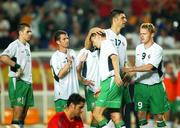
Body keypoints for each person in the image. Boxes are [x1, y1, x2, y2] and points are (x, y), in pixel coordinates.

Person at [122, 23, 169, 128]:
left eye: (144, 34)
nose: (141, 36)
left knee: (159, 116)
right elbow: (138, 66)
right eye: (140, 34)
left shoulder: (158, 49)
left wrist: (132, 69)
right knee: (140, 115)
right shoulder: (138, 48)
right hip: (141, 86)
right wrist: (130, 75)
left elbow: (149, 67)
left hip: (155, 86)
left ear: (152, 34)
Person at [0, 23, 34, 128]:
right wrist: (17, 66)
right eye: (27, 31)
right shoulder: (15, 45)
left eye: (30, 31)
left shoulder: (27, 45)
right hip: (18, 81)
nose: (30, 33)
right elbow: (3, 57)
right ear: (20, 33)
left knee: (23, 113)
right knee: (18, 111)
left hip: (28, 82)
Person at [90, 32, 125, 128]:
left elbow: (114, 57)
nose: (93, 44)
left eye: (93, 41)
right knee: (115, 116)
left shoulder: (106, 43)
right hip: (110, 82)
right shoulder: (105, 46)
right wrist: (102, 87)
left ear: (98, 36)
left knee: (96, 114)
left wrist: (117, 75)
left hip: (111, 81)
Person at [50, 30, 83, 112]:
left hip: (74, 94)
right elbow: (60, 75)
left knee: (75, 122)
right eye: (64, 39)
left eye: (67, 38)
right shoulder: (55, 57)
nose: (67, 40)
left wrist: (81, 61)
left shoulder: (72, 52)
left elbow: (77, 69)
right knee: (63, 123)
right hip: (63, 96)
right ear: (58, 42)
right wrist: (68, 63)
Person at [77, 28, 101, 127]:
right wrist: (83, 80)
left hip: (104, 87)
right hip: (91, 88)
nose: (94, 38)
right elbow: (77, 70)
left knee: (104, 114)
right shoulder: (84, 51)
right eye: (92, 35)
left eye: (96, 36)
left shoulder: (103, 50)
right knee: (95, 114)